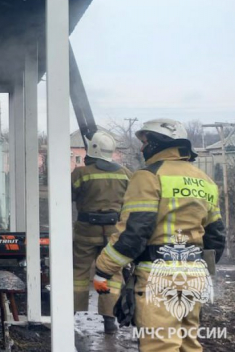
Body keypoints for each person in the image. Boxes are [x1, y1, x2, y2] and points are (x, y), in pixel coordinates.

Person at [94, 118, 226, 351]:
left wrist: (103, 269)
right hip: (195, 274)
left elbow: (133, 234)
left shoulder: (148, 176)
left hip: (158, 276)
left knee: (160, 344)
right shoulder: (204, 181)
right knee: (188, 343)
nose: (143, 148)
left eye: (144, 142)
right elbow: (216, 238)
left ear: (156, 143)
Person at [71, 130, 133, 334]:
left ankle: (69, 314)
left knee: (79, 273)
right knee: (111, 273)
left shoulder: (81, 173)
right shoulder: (125, 174)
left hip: (85, 232)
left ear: (92, 150)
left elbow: (66, 195)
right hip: (114, 233)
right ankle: (109, 320)